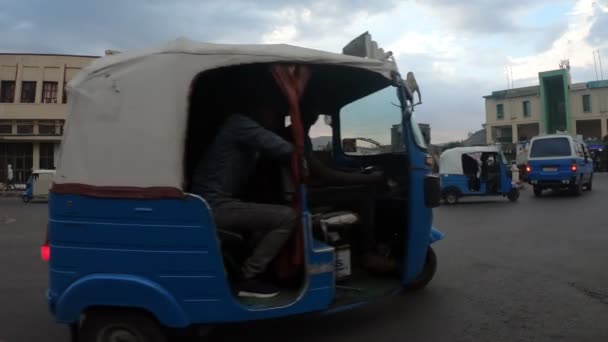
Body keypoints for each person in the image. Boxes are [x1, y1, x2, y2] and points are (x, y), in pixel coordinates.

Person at [191, 82, 298, 299]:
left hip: (215, 203)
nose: (276, 118)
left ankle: (256, 270)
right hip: (213, 205)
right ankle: (248, 278)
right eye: (274, 111)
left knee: (265, 220)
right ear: (258, 107)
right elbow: (286, 150)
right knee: (286, 217)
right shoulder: (240, 124)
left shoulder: (240, 128)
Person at [283, 109, 397, 274]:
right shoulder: (294, 136)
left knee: (359, 187)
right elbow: (325, 173)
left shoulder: (299, 135)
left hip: (305, 188)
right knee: (364, 193)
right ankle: (367, 253)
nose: (315, 117)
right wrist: (369, 178)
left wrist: (357, 174)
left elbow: (323, 169)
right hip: (303, 194)